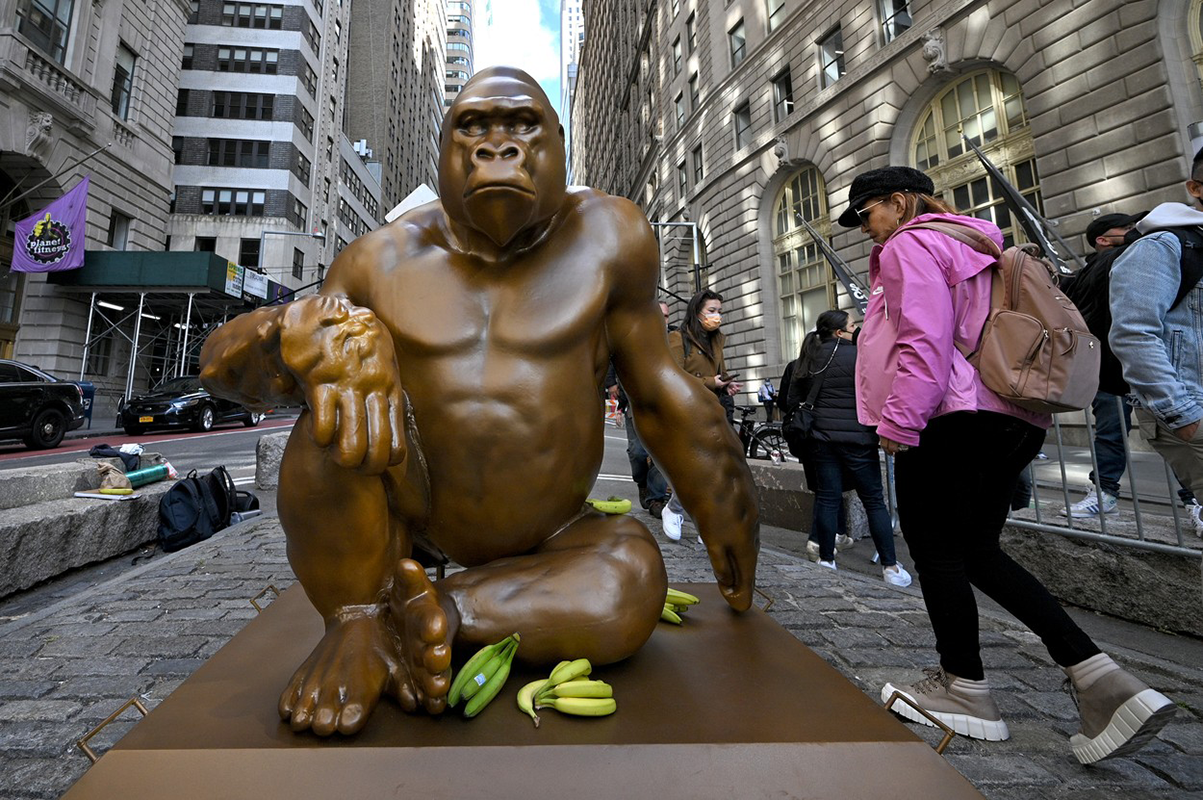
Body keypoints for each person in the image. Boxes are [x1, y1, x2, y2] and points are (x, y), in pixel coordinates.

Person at [198, 66, 760, 737]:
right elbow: (218, 370)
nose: (498, 147)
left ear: (558, 145)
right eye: (474, 129)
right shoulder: (377, 259)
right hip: (407, 522)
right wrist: (291, 333)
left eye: (521, 127)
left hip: (554, 534)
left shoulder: (612, 237)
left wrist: (726, 503)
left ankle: (437, 612)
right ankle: (355, 618)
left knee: (632, 580)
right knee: (333, 388)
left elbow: (660, 391)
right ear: (442, 153)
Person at [841, 165, 1175, 764]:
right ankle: (1100, 679)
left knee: (937, 549)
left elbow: (925, 338)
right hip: (1014, 417)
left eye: (866, 214)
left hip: (950, 417)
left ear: (898, 201)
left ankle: (964, 687)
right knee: (978, 551)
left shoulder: (911, 243)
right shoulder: (979, 243)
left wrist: (899, 420)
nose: (865, 230)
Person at [1060, 210, 1202, 525]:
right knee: (1112, 432)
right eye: (1124, 228)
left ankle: (1192, 499)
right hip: (1114, 369)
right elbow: (1125, 327)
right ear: (1102, 239)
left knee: (1169, 436)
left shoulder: (1151, 252)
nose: (1132, 230)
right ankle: (1106, 493)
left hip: (1140, 369)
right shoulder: (1106, 264)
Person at [1109, 147, 1203, 535]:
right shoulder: (1163, 245)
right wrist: (1183, 415)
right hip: (1191, 404)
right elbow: (1133, 332)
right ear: (1196, 187)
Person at [785, 309, 911, 586]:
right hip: (859, 439)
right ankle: (890, 567)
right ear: (839, 332)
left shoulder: (806, 358)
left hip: (821, 440)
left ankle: (827, 560)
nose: (857, 329)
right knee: (874, 501)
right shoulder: (861, 356)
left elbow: (792, 400)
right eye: (853, 325)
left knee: (829, 499)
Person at [661, 289, 742, 541]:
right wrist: (710, 382)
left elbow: (721, 371)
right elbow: (674, 375)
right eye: (712, 311)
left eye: (719, 311)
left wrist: (726, 383)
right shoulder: (677, 338)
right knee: (694, 468)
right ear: (697, 313)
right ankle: (674, 509)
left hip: (713, 409)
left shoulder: (718, 340)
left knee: (715, 467)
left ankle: (705, 520)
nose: (717, 316)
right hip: (687, 410)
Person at [607, 301, 673, 518]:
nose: (663, 321)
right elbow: (612, 358)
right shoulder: (632, 336)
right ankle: (641, 482)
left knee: (659, 453)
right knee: (638, 453)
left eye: (666, 316)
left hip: (663, 405)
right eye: (659, 315)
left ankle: (655, 498)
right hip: (635, 403)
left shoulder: (675, 340)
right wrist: (611, 384)